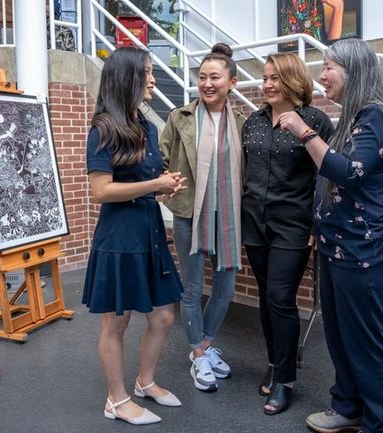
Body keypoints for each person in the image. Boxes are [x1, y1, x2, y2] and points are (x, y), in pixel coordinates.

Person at [278, 38, 383, 433]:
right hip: (337, 246)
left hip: (364, 250)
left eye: (328, 67)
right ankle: (348, 406)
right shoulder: (352, 117)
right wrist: (320, 227)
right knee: (339, 336)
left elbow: (348, 171)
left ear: (353, 70)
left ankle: (382, 423)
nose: (322, 76)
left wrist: (304, 132)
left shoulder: (376, 115)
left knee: (366, 342)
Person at [82, 47, 187, 426]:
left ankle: (145, 382)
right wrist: (153, 184)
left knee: (163, 316)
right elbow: (102, 192)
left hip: (150, 232)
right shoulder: (103, 128)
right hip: (119, 238)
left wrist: (164, 185)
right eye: (147, 72)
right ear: (127, 77)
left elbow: (145, 181)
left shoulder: (147, 128)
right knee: (117, 322)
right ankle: (116, 399)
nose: (154, 80)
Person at [242, 52, 334, 415]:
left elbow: (324, 176)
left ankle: (286, 379)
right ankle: (275, 361)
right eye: (265, 77)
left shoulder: (315, 121)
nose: (267, 84)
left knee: (281, 297)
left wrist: (315, 222)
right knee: (267, 297)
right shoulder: (252, 121)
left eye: (275, 78)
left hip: (293, 224)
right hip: (254, 222)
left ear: (294, 80)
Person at [159, 43, 246, 393]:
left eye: (215, 77)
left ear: (232, 82)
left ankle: (205, 345)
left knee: (225, 288)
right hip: (188, 216)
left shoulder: (241, 123)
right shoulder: (178, 118)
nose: (207, 83)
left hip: (228, 218)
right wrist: (167, 191)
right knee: (192, 288)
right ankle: (198, 352)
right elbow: (160, 160)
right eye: (202, 77)